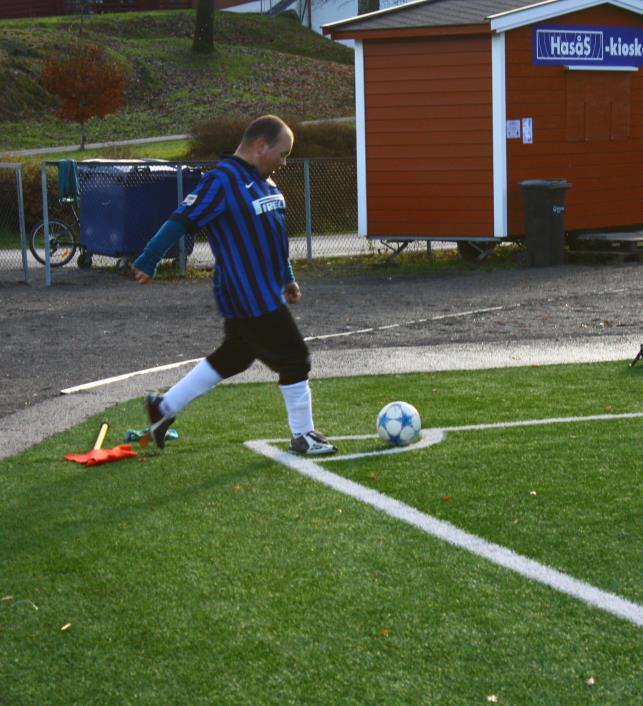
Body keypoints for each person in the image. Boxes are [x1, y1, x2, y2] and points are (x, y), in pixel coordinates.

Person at [131, 114, 337, 456]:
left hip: (264, 291)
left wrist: (287, 277)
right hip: (246, 292)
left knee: (236, 356)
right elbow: (181, 219)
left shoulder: (265, 184)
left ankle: (163, 408)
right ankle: (303, 436)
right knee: (295, 358)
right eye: (282, 154)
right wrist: (149, 258)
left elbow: (274, 238)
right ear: (260, 146)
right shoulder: (223, 180)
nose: (284, 163)